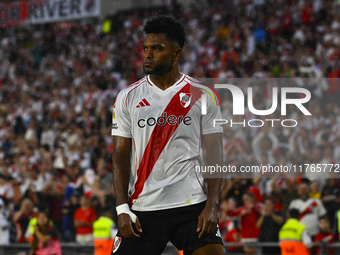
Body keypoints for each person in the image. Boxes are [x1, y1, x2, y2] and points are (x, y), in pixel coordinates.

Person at [111, 15, 224, 255]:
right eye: (146, 48)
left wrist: (212, 206)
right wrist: (122, 208)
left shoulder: (203, 95)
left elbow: (216, 154)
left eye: (157, 49)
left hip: (191, 204)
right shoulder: (127, 97)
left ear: (176, 54)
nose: (148, 54)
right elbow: (120, 153)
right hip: (143, 207)